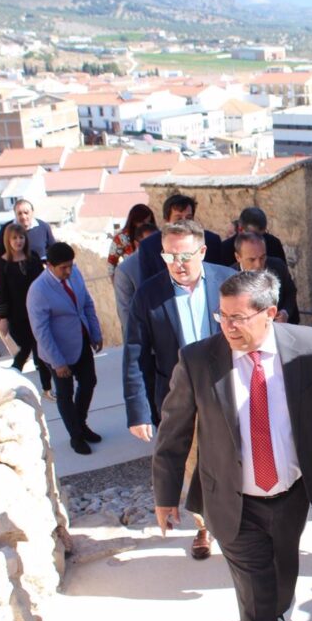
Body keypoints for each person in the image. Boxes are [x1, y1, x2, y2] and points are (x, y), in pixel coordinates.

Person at [153, 270, 312, 621]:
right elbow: (172, 433)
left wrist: (310, 467)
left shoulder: (308, 346)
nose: (228, 326)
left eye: (238, 317)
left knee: (283, 583)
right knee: (257, 601)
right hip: (233, 504)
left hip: (290, 498)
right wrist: (165, 495)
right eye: (222, 316)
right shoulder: (197, 361)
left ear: (270, 313)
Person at [123, 220, 236, 560]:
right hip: (179, 397)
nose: (178, 263)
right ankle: (204, 525)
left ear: (202, 251)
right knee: (191, 466)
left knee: (235, 457)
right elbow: (134, 353)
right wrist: (138, 410)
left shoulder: (228, 282)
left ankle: (238, 517)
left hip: (228, 389)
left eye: (185, 255)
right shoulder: (149, 294)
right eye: (170, 256)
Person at [27, 242, 103, 456]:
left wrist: (95, 333)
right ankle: (76, 436)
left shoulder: (75, 274)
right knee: (65, 393)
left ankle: (81, 423)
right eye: (63, 268)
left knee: (89, 382)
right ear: (49, 266)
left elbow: (87, 303)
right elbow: (41, 331)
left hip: (81, 341)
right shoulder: (38, 290)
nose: (68, 271)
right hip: (57, 350)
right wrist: (57, 362)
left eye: (71, 266)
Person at [0, 223, 53, 400]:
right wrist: (3, 318)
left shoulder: (32, 258)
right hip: (17, 316)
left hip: (37, 311)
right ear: (7, 240)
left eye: (21, 237)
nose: (18, 241)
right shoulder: (2, 265)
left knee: (41, 349)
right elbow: (1, 294)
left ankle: (47, 388)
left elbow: (43, 282)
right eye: (14, 238)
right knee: (24, 351)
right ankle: (9, 383)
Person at [135, 194, 224, 281]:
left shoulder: (211, 241)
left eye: (188, 218)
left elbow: (218, 276)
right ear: (167, 221)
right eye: (179, 219)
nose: (184, 223)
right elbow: (147, 285)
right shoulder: (149, 246)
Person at [233, 231, 300, 325]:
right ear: (238, 257)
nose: (258, 265)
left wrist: (285, 312)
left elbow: (290, 292)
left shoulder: (278, 266)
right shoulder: (228, 277)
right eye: (252, 260)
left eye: (262, 258)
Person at [114, 222, 159, 336]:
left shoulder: (168, 260)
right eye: (150, 242)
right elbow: (126, 311)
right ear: (137, 244)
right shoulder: (125, 270)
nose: (155, 245)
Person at [0, 199, 56, 271]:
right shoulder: (6, 229)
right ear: (15, 214)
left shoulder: (43, 227)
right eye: (19, 213)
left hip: (39, 271)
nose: (23, 216)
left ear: (32, 212)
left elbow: (53, 249)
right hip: (13, 273)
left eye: (26, 213)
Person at [220, 206, 288, 266]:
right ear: (240, 229)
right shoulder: (225, 249)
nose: (257, 239)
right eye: (253, 235)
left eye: (261, 235)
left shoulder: (274, 244)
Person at [107, 203, 156, 276]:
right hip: (133, 278)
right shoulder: (121, 238)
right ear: (134, 222)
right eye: (142, 222)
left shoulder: (156, 234)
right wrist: (118, 283)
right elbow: (111, 262)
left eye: (148, 222)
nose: (146, 225)